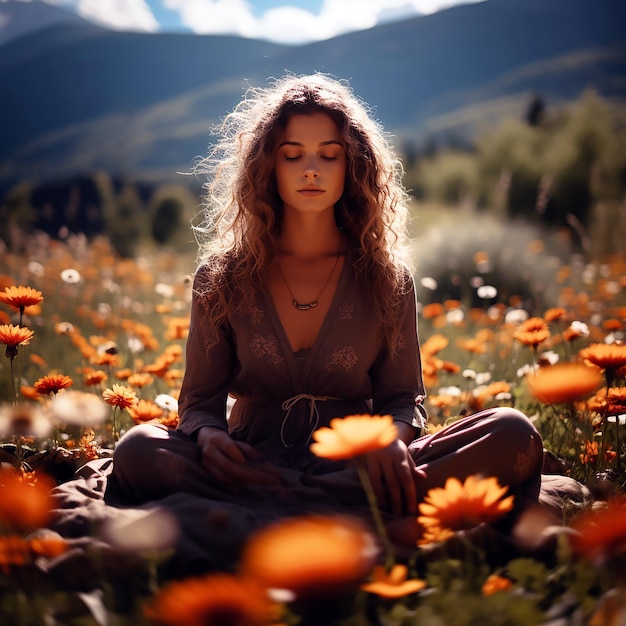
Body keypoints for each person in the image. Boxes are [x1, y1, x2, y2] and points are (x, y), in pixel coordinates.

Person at [106, 74, 544, 562]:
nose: (310, 169)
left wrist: (393, 443)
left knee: (513, 431)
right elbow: (200, 400)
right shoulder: (221, 276)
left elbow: (403, 397)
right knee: (138, 449)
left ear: (352, 165)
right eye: (292, 155)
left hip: (355, 468)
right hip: (252, 464)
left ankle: (276, 515)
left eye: (328, 155)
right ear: (267, 167)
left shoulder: (386, 277)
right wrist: (210, 439)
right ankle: (348, 520)